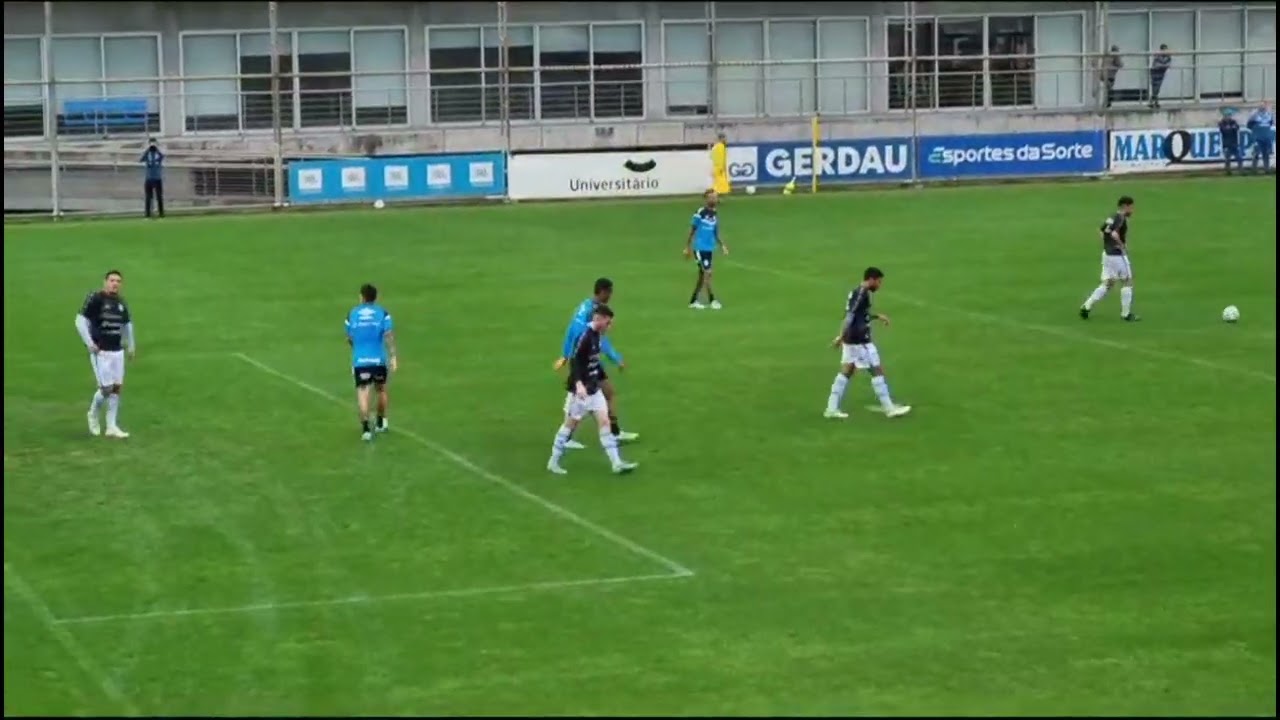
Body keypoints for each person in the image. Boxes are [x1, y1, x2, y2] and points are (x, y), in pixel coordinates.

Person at [547, 305, 638, 476]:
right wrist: (579, 385)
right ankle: (553, 461)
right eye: (608, 323)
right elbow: (575, 362)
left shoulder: (597, 336)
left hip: (593, 389)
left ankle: (617, 463)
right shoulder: (586, 337)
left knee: (604, 422)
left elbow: (593, 363)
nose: (610, 327)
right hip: (581, 392)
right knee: (569, 425)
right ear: (600, 319)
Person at [553, 278, 639, 449]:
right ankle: (569, 438)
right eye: (610, 292)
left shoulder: (585, 306)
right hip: (584, 360)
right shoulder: (593, 312)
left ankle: (612, 433)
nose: (611, 295)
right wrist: (616, 358)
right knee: (583, 402)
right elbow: (593, 337)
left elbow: (573, 329)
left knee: (605, 394)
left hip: (587, 358)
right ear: (602, 291)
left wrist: (565, 354)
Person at [824, 267, 911, 420]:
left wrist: (876, 316)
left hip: (852, 338)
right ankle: (889, 409)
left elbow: (860, 315)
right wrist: (840, 336)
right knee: (876, 370)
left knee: (847, 371)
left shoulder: (859, 292)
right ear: (871, 279)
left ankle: (831, 408)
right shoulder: (862, 293)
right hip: (859, 340)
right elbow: (850, 316)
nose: (879, 285)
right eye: (878, 281)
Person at [75, 270, 135, 438]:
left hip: (117, 351)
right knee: (106, 388)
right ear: (105, 281)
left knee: (116, 389)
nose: (115, 284)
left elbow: (127, 324)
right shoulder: (96, 299)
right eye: (112, 280)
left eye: (118, 281)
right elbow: (80, 321)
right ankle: (93, 414)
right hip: (101, 351)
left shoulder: (121, 303)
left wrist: (131, 346)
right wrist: (89, 343)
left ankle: (111, 426)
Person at [345, 283, 397, 442]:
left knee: (363, 391)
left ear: (361, 297)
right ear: (376, 297)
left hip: (360, 360)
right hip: (378, 359)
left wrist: (357, 349)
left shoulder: (352, 314)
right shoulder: (383, 313)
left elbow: (350, 338)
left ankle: (366, 428)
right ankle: (381, 421)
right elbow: (388, 335)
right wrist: (393, 356)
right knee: (381, 390)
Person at [1080, 196, 1139, 322]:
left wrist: (1107, 244)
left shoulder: (1112, 216)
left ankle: (1086, 306)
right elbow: (1113, 233)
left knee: (1108, 283)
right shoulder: (1121, 218)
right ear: (1125, 206)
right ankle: (1126, 314)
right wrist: (1121, 245)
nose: (1132, 210)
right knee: (1127, 281)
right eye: (1131, 207)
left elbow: (1102, 231)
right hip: (1117, 255)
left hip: (1107, 254)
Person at [684, 189, 730, 310]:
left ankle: (693, 301)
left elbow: (716, 231)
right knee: (707, 272)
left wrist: (722, 245)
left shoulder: (714, 214)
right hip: (699, 248)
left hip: (709, 248)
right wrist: (687, 247)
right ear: (706, 199)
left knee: (702, 275)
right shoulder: (700, 212)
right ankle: (712, 300)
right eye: (712, 197)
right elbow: (692, 230)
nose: (714, 199)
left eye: (715, 197)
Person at [140, 138, 165, 218]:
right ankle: (147, 214)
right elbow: (141, 159)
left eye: (154, 143)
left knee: (159, 197)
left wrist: (157, 148)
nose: (152, 145)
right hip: (149, 178)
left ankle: (161, 214)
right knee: (148, 197)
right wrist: (147, 149)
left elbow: (162, 156)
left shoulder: (158, 153)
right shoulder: (147, 154)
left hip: (157, 178)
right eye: (151, 143)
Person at [1247, 101, 1274, 174]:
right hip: (1257, 138)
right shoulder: (1254, 114)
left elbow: (1270, 124)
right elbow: (1249, 125)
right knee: (1256, 153)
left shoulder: (1269, 114)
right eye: (1261, 105)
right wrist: (1255, 132)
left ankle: (1267, 169)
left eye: (1264, 105)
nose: (1263, 107)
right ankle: (1254, 170)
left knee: (1266, 154)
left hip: (1266, 137)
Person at [1219, 109, 1244, 175]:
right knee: (1227, 159)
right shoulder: (1221, 123)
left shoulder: (1233, 122)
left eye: (1229, 115)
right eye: (1226, 115)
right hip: (1226, 144)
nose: (1228, 117)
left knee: (1239, 158)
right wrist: (1231, 128)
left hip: (1234, 143)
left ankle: (1241, 171)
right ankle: (1228, 172)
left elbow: (1237, 128)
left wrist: (1230, 128)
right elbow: (1224, 131)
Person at [1148, 44, 1171, 108]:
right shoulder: (1157, 55)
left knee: (1157, 88)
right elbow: (1156, 65)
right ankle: (1155, 102)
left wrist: (1162, 65)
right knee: (1155, 87)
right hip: (1155, 72)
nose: (1165, 51)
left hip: (1161, 73)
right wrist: (1163, 65)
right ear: (1161, 50)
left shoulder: (1168, 57)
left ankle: (1153, 102)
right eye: (1163, 49)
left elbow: (1168, 65)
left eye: (1166, 49)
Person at [710, 132, 731, 196]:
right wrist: (721, 167)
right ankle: (712, 197)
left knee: (717, 184)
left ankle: (715, 198)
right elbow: (721, 158)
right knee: (719, 185)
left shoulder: (715, 146)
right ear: (721, 138)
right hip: (719, 168)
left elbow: (711, 157)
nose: (725, 140)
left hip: (715, 167)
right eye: (724, 138)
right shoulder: (721, 146)